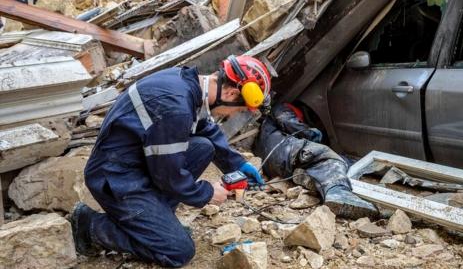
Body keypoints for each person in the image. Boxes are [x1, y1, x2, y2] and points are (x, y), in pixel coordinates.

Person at [70, 55, 271, 267]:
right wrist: (208, 193)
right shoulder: (175, 107)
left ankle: (156, 221)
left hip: (136, 163)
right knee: (179, 251)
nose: (232, 115)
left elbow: (204, 127)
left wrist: (237, 164)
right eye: (238, 109)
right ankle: (91, 227)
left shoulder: (186, 84)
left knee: (204, 147)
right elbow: (169, 176)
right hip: (116, 178)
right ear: (231, 93)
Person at [254, 103, 379, 220]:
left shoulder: (266, 130)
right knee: (325, 156)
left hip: (274, 162)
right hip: (283, 151)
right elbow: (289, 122)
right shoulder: (284, 106)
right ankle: (338, 193)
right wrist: (314, 134)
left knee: (336, 161)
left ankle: (315, 181)